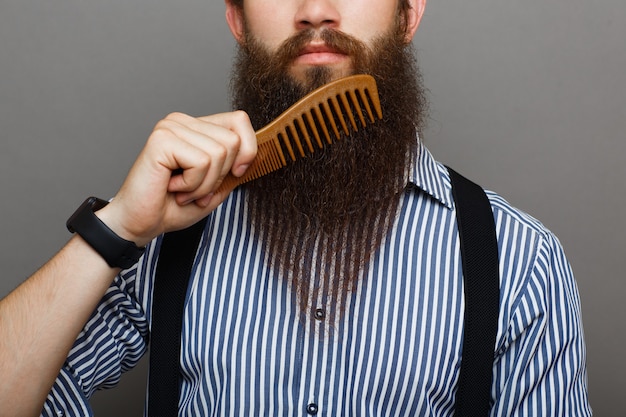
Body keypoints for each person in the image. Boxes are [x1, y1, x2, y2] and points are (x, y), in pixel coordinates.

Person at [0, 0, 591, 415]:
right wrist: (120, 226)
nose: (314, 10)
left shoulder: (519, 262)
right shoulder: (160, 236)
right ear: (237, 18)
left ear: (408, 12)